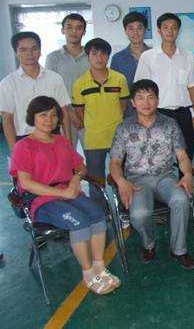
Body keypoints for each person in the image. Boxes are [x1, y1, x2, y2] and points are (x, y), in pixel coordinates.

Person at [9, 96, 120, 295]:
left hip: (68, 193)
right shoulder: (23, 146)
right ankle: (88, 274)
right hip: (42, 200)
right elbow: (25, 183)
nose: (49, 120)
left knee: (98, 214)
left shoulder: (61, 141)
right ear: (32, 117)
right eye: (43, 115)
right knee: (79, 221)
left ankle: (99, 267)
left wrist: (75, 180)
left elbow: (80, 167)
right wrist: (61, 192)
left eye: (53, 115)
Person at [109, 79, 194, 268]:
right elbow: (115, 162)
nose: (146, 102)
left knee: (181, 199)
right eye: (140, 98)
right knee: (139, 214)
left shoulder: (170, 124)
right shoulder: (124, 127)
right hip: (137, 181)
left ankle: (179, 250)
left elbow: (182, 156)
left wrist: (188, 174)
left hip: (166, 177)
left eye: (150, 97)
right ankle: (148, 244)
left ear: (157, 100)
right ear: (133, 102)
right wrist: (121, 181)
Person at [134, 13, 194, 160]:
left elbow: (192, 87)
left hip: (183, 114)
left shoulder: (189, 56)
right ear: (159, 31)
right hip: (158, 113)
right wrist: (143, 116)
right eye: (166, 27)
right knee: (158, 157)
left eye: (174, 27)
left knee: (186, 155)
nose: (170, 31)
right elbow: (140, 89)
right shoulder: (148, 57)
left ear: (178, 31)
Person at [0, 32, 71, 151]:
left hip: (53, 137)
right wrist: (15, 151)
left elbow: (64, 111)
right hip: (24, 140)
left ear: (40, 51)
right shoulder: (8, 83)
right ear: (16, 53)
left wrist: (68, 143)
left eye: (34, 49)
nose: (29, 53)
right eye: (23, 50)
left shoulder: (54, 78)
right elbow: (7, 119)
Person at [72, 38, 129, 180]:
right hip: (93, 139)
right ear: (88, 56)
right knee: (96, 180)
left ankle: (120, 195)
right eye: (94, 53)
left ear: (108, 56)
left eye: (103, 53)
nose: (99, 57)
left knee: (121, 178)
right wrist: (93, 125)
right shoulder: (79, 83)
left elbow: (123, 105)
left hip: (117, 137)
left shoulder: (119, 79)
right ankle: (98, 196)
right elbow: (79, 111)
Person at [45, 13, 89, 147]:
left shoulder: (92, 56)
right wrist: (71, 114)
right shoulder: (53, 58)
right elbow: (52, 90)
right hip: (63, 116)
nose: (74, 31)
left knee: (93, 156)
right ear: (62, 30)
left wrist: (81, 115)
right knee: (66, 155)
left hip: (89, 116)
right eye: (69, 27)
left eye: (79, 28)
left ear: (84, 32)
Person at [110, 11, 151, 117]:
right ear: (125, 31)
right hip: (128, 114)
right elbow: (114, 90)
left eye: (139, 28)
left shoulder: (155, 56)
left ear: (145, 29)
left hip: (153, 112)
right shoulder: (117, 59)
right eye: (131, 28)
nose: (135, 32)